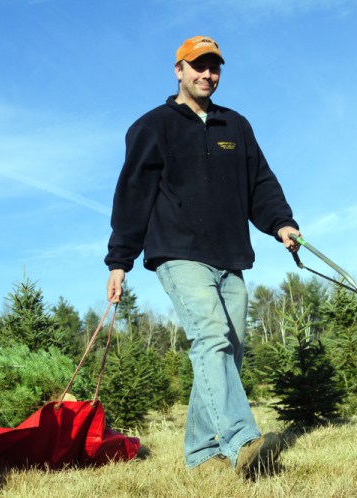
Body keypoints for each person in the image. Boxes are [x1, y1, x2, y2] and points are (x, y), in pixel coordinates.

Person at [104, 35, 301, 475]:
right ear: (178, 70)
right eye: (198, 66)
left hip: (230, 255)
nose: (206, 74)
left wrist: (281, 224)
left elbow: (260, 184)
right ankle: (240, 438)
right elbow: (132, 197)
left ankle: (200, 453)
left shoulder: (236, 126)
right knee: (211, 338)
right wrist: (120, 260)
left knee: (229, 351)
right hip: (178, 253)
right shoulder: (152, 127)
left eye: (214, 67)